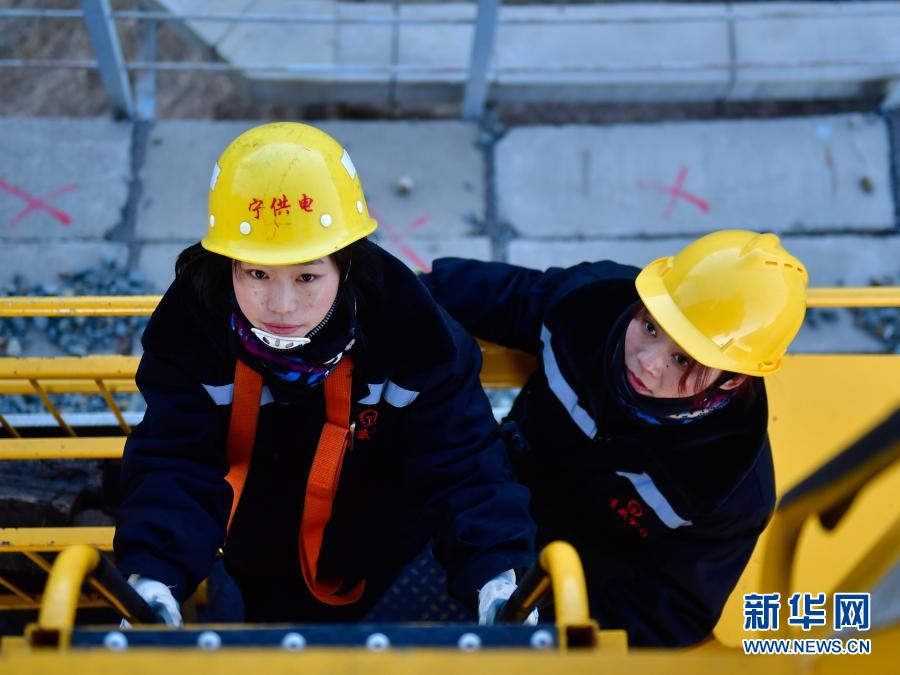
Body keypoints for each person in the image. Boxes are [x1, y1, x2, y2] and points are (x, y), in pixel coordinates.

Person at [113, 122, 536, 626]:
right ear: (227, 266)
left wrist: (495, 578)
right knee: (267, 607)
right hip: (251, 533)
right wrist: (155, 578)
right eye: (257, 273)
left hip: (376, 528)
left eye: (308, 276)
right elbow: (175, 459)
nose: (281, 306)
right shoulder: (191, 338)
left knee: (361, 598)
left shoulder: (416, 340)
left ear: (346, 268)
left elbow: (463, 462)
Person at [422, 231, 808, 646]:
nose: (647, 361)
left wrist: (556, 635)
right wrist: (394, 299)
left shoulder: (726, 490)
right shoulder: (586, 306)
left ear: (731, 380)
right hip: (489, 498)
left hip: (574, 591)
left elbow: (668, 612)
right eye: (651, 326)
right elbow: (497, 296)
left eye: (682, 359)